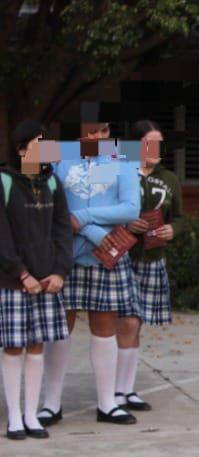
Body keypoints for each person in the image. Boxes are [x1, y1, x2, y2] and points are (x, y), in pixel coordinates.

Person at [40, 118, 141, 426]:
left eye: (104, 130)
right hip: (64, 256)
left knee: (105, 327)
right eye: (91, 131)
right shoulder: (59, 156)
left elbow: (130, 209)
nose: (98, 136)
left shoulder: (123, 159)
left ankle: (107, 403)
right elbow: (48, 204)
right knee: (59, 328)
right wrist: (77, 227)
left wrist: (85, 222)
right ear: (79, 133)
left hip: (105, 254)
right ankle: (50, 404)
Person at [0, 121, 72, 439]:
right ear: (20, 149)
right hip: (14, 281)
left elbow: (62, 231)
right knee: (14, 347)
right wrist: (21, 273)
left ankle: (32, 415)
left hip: (47, 281)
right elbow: (2, 236)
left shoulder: (52, 183)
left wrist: (59, 271)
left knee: (36, 346)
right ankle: (14, 417)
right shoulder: (4, 181)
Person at [115, 119, 182, 412]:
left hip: (153, 256)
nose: (155, 148)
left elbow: (178, 216)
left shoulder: (169, 178)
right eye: (149, 142)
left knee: (137, 323)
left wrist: (172, 230)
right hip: (122, 254)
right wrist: (126, 220)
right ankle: (116, 391)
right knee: (128, 321)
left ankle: (127, 390)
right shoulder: (119, 170)